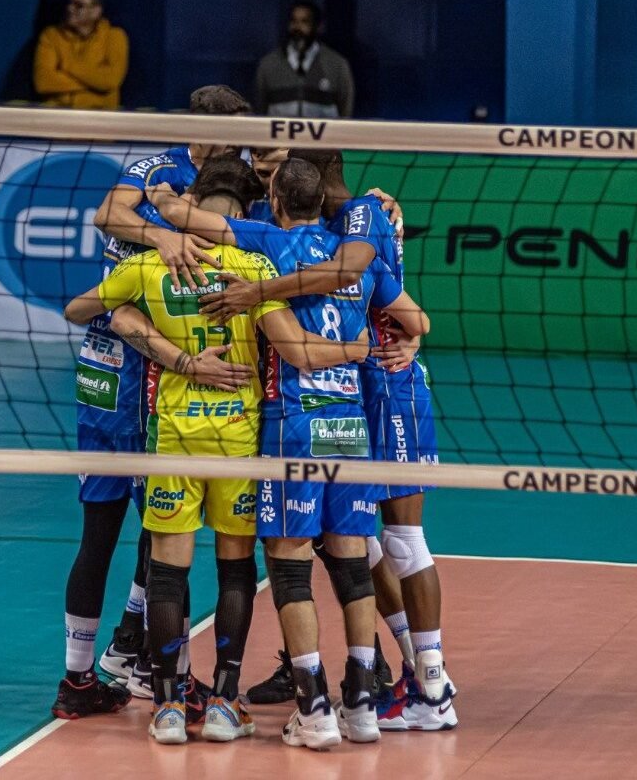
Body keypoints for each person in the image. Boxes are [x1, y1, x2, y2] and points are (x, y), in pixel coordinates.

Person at [67, 155, 372, 746]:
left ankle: (168, 707)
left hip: (176, 440)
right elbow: (297, 345)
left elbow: (80, 309)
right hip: (239, 440)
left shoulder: (154, 265)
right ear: (246, 205)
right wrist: (357, 350)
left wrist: (140, 326)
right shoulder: (256, 265)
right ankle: (227, 702)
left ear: (197, 199)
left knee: (166, 573)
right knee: (236, 570)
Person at [150, 157, 429, 749]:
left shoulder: (266, 243)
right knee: (353, 560)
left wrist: (164, 197)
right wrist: (379, 345)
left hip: (294, 426)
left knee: (288, 560)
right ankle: (361, 706)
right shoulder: (352, 253)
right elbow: (413, 319)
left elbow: (186, 218)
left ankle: (315, 706)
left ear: (274, 199)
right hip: (351, 426)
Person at [51, 84, 251, 725]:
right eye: (233, 132)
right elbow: (108, 213)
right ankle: (157, 670)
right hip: (133, 375)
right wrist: (161, 237)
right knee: (162, 528)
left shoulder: (227, 170)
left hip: (110, 364)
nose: (241, 144)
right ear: (202, 126)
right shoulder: (161, 168)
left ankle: (92, 671)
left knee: (120, 529)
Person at [33, 0, 130, 109]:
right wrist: (95, 83)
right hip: (58, 113)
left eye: (78, 5)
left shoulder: (115, 36)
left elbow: (110, 80)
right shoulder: (51, 36)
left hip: (100, 115)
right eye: (69, 3)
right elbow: (43, 82)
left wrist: (68, 65)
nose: (70, 9)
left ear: (96, 12)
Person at [254, 0, 355, 120]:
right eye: (293, 21)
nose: (297, 27)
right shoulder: (268, 65)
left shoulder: (337, 65)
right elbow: (259, 112)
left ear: (318, 26)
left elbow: (345, 113)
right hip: (280, 137)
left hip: (324, 137)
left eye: (305, 22)